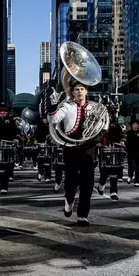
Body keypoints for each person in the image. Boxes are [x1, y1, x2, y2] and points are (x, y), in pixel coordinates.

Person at [45, 81, 103, 226]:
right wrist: (53, 104)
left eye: (82, 89)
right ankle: (69, 200)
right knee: (71, 182)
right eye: (76, 89)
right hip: (70, 148)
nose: (79, 92)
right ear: (73, 92)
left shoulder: (94, 108)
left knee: (87, 184)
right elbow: (53, 119)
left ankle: (82, 215)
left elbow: (103, 125)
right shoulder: (67, 106)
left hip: (88, 148)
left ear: (86, 91)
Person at [97, 122, 124, 200]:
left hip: (114, 150)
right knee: (104, 174)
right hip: (104, 151)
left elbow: (121, 137)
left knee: (114, 172)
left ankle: (113, 192)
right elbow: (98, 136)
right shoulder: (101, 124)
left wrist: (122, 142)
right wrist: (98, 143)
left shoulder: (117, 126)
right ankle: (101, 187)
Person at [125, 119, 139, 186]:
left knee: (138, 166)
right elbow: (127, 143)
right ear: (132, 125)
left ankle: (137, 181)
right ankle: (130, 176)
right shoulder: (128, 133)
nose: (135, 126)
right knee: (131, 165)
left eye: (137, 124)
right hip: (131, 152)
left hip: (138, 152)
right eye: (134, 124)